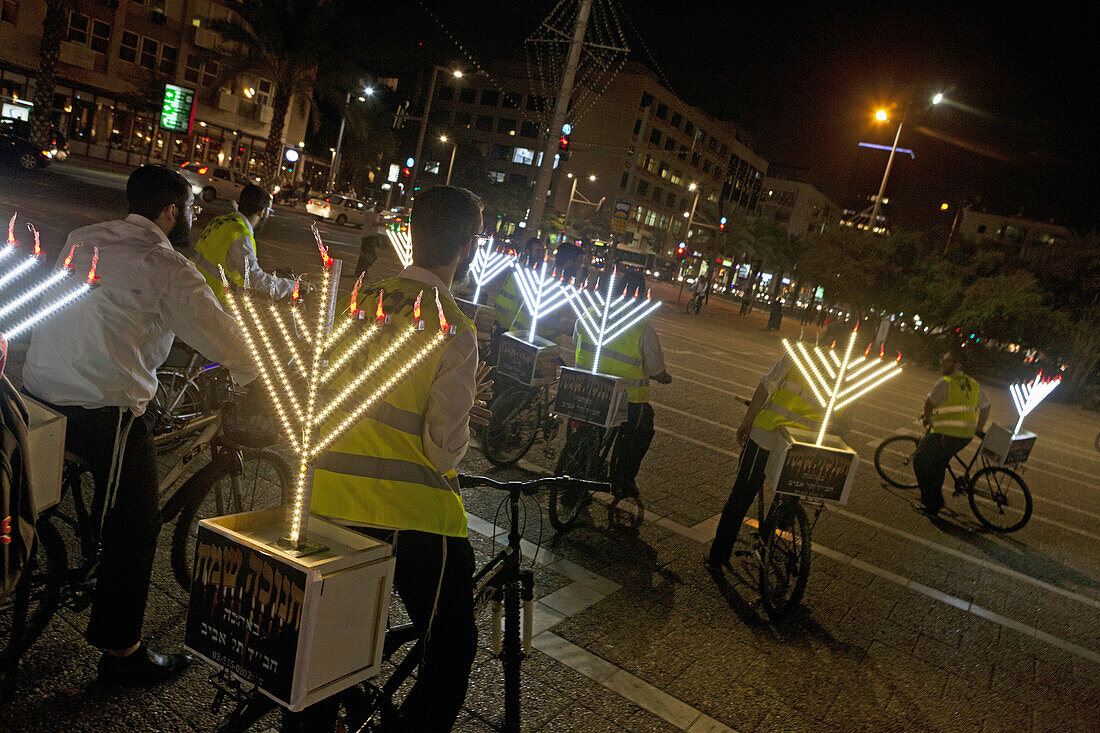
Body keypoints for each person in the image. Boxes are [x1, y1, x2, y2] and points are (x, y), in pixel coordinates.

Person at [21, 165, 257, 683]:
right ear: (173, 211)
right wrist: (248, 371)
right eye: (191, 209)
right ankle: (121, 652)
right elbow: (224, 338)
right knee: (137, 526)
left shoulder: (84, 238)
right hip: (102, 413)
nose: (193, 217)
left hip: (37, 392)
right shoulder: (166, 265)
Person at [308, 186, 491, 731]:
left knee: (329, 649)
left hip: (327, 501)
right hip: (409, 520)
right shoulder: (452, 328)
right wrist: (469, 407)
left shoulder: (363, 299)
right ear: (468, 247)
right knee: (453, 649)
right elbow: (441, 451)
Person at [705, 352, 851, 571]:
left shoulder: (800, 355)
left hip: (766, 438)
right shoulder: (844, 373)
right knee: (789, 494)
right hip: (799, 448)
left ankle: (718, 557)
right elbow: (843, 423)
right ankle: (780, 525)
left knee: (740, 498)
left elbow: (765, 387)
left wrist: (747, 422)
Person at [572, 308, 672, 499]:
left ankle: (570, 472)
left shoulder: (588, 315)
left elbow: (575, 342)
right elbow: (655, 367)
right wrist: (664, 377)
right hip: (625, 398)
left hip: (586, 387)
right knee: (639, 430)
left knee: (583, 426)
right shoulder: (642, 328)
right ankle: (623, 479)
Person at [912, 348, 991, 515]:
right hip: (965, 436)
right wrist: (979, 427)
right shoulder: (972, 383)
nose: (942, 363)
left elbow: (929, 403)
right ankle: (935, 498)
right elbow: (986, 406)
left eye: (946, 360)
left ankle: (931, 502)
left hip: (946, 434)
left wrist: (927, 419)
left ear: (957, 365)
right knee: (939, 462)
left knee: (920, 460)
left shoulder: (945, 382)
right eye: (942, 359)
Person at [191, 184, 297, 304]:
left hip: (194, 287)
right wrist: (294, 286)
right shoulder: (240, 235)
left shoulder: (220, 221)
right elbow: (254, 277)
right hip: (213, 299)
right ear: (261, 212)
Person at [355, 202, 383, 277]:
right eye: (381, 208)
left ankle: (362, 270)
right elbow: (370, 224)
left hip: (372, 236)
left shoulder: (376, 214)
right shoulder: (371, 213)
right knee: (369, 255)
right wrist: (381, 224)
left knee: (366, 255)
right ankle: (361, 270)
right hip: (368, 236)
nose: (381, 210)